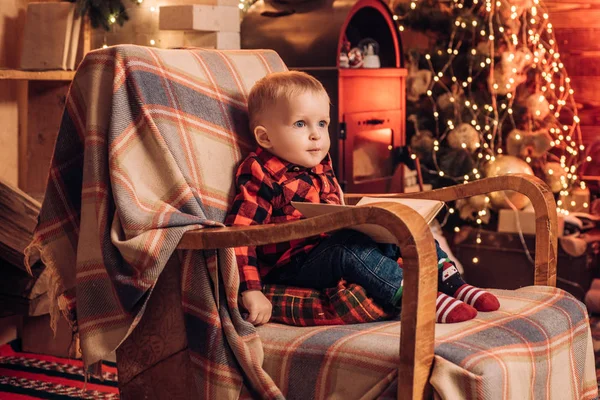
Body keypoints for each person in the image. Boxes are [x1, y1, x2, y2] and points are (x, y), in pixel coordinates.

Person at [224, 71, 499, 326]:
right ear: (265, 137)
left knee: (401, 223)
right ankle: (419, 299)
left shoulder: (319, 163)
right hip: (294, 264)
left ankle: (453, 283)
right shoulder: (260, 171)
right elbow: (241, 232)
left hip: (331, 243)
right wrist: (251, 289)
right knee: (348, 248)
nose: (315, 134)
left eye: (322, 123)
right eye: (300, 123)